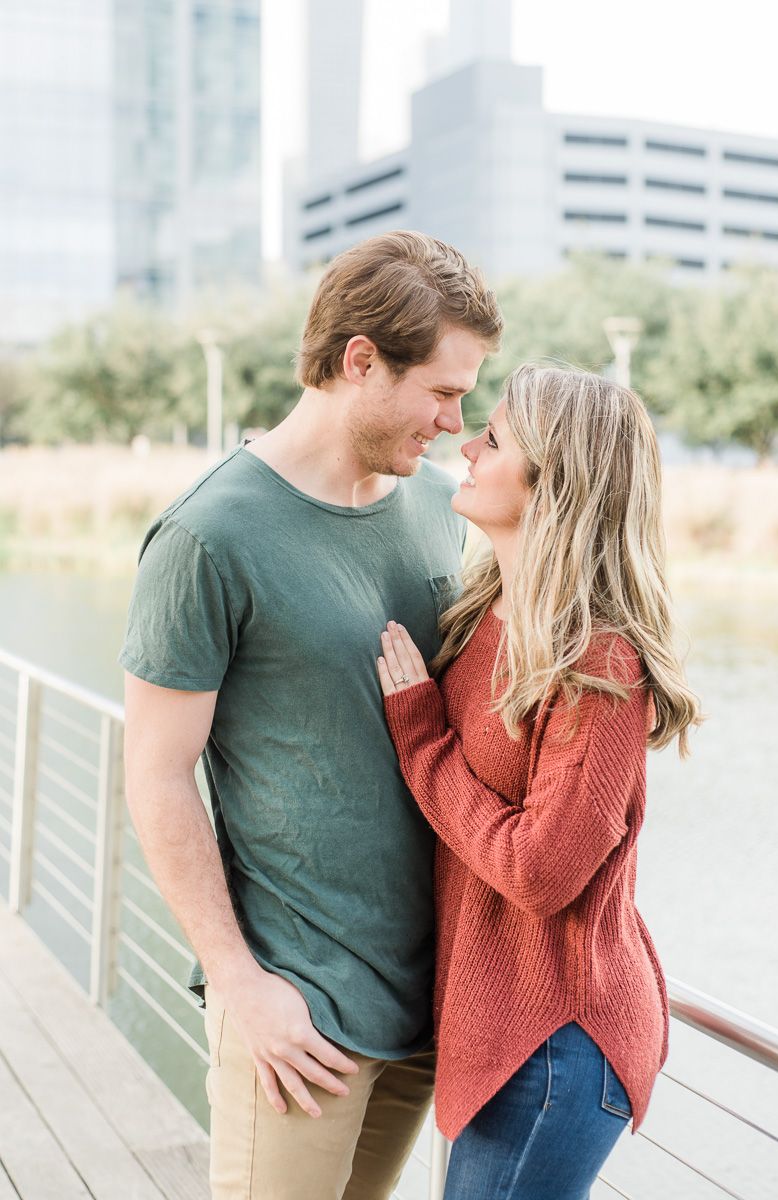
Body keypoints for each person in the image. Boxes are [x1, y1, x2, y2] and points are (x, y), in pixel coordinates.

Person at [119, 230, 503, 1200]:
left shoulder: (440, 507)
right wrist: (240, 985)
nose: (456, 422)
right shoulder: (208, 536)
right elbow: (156, 774)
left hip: (428, 1005)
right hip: (299, 1013)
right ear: (360, 360)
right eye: (442, 392)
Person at [377, 364, 702, 1200]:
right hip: (495, 1025)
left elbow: (538, 871)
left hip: (555, 1044)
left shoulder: (599, 662)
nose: (466, 445)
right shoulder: (481, 613)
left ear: (550, 479)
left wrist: (420, 737)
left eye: (493, 439)